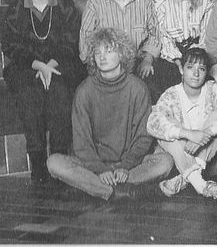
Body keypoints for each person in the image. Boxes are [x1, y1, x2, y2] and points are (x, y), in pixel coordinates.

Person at [47, 28, 173, 201]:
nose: (102, 57)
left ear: (121, 54)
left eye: (108, 51)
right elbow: (81, 142)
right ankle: (115, 191)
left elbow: (143, 136)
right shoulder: (84, 90)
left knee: (165, 162)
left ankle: (95, 188)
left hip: (130, 166)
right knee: (53, 162)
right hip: (94, 166)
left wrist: (125, 167)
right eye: (97, 52)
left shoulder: (137, 88)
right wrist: (100, 170)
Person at [1, 0, 85, 184]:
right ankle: (38, 164)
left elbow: (71, 42)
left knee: (60, 93)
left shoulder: (65, 7)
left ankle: (58, 161)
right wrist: (38, 65)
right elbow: (10, 45)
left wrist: (50, 65)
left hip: (59, 64)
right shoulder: (17, 8)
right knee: (29, 96)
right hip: (27, 66)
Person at [147, 48, 217, 199]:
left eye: (201, 69)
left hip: (206, 154)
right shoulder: (171, 94)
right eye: (190, 67)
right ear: (181, 69)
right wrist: (189, 134)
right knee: (167, 123)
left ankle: (188, 177)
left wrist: (206, 134)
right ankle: (201, 185)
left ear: (207, 71)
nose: (196, 74)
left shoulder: (213, 89)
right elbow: (152, 123)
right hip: (178, 151)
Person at [79, 0, 163, 103]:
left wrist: (148, 59)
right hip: (105, 67)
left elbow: (154, 35)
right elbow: (85, 42)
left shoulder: (145, 0)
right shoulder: (95, 3)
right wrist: (100, 68)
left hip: (138, 65)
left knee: (150, 89)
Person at [152, 0, 216, 92]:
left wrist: (196, 54)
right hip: (172, 55)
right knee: (168, 81)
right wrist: (175, 58)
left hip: (198, 51)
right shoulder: (161, 1)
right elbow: (162, 34)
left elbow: (208, 32)